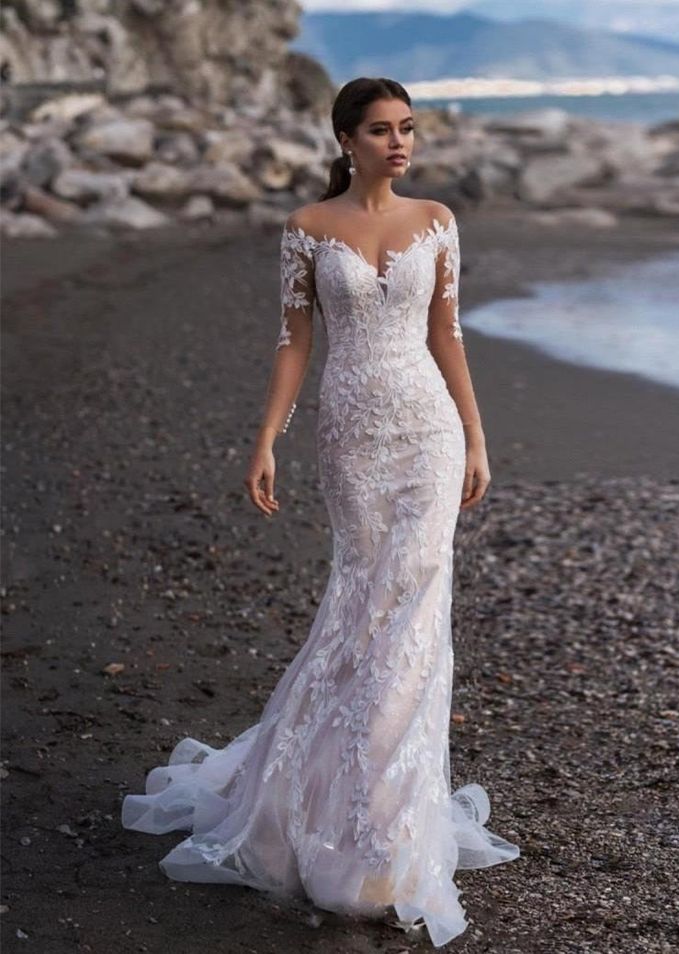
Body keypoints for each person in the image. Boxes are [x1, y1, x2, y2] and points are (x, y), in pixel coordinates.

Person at [121, 76, 520, 947]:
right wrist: (265, 438)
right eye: (380, 131)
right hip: (349, 433)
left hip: (427, 432)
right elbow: (293, 340)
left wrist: (478, 439)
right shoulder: (306, 228)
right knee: (361, 605)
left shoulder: (437, 220)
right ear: (345, 139)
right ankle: (321, 803)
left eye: (407, 129)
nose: (399, 143)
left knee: (414, 607)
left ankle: (383, 832)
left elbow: (447, 333)